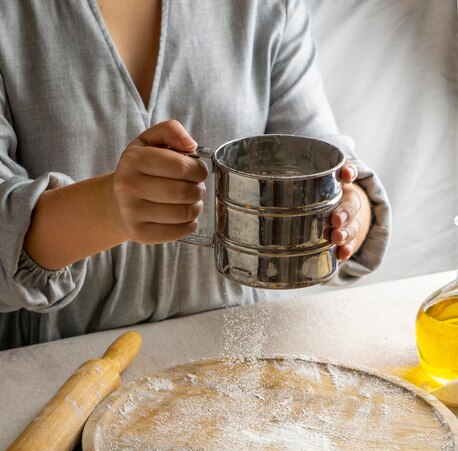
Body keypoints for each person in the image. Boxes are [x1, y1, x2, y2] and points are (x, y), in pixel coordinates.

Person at [0, 0, 390, 350]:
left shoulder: (268, 7)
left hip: (238, 358)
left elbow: (324, 161)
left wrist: (351, 214)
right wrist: (106, 210)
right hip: (53, 372)